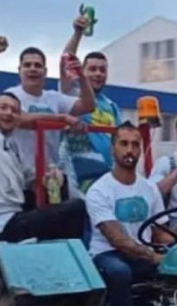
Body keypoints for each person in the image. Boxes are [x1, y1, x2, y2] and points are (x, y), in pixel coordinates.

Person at [0, 35, 86, 243]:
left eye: (15, 110)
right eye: (3, 108)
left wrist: (52, 177)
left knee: (61, 201)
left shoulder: (10, 146)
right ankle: (64, 257)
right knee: (75, 209)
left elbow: (26, 178)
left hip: (15, 216)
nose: (9, 113)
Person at [86, 121, 173, 306]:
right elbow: (118, 240)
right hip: (107, 254)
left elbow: (161, 233)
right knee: (119, 272)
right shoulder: (99, 190)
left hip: (140, 253)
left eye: (135, 145)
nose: (130, 150)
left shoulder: (149, 189)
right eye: (124, 144)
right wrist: (155, 257)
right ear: (113, 148)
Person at [5, 45, 95, 198]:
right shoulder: (11, 95)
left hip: (51, 176)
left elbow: (88, 105)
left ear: (45, 71)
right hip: (18, 177)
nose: (33, 69)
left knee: (79, 205)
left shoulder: (54, 97)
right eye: (27, 65)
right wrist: (61, 118)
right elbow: (20, 118)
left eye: (37, 65)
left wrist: (82, 77)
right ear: (19, 70)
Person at [58, 12, 122, 194]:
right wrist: (78, 33)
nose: (98, 74)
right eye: (92, 69)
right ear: (82, 72)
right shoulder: (72, 95)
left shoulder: (112, 106)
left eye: (102, 70)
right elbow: (65, 61)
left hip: (108, 176)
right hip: (78, 175)